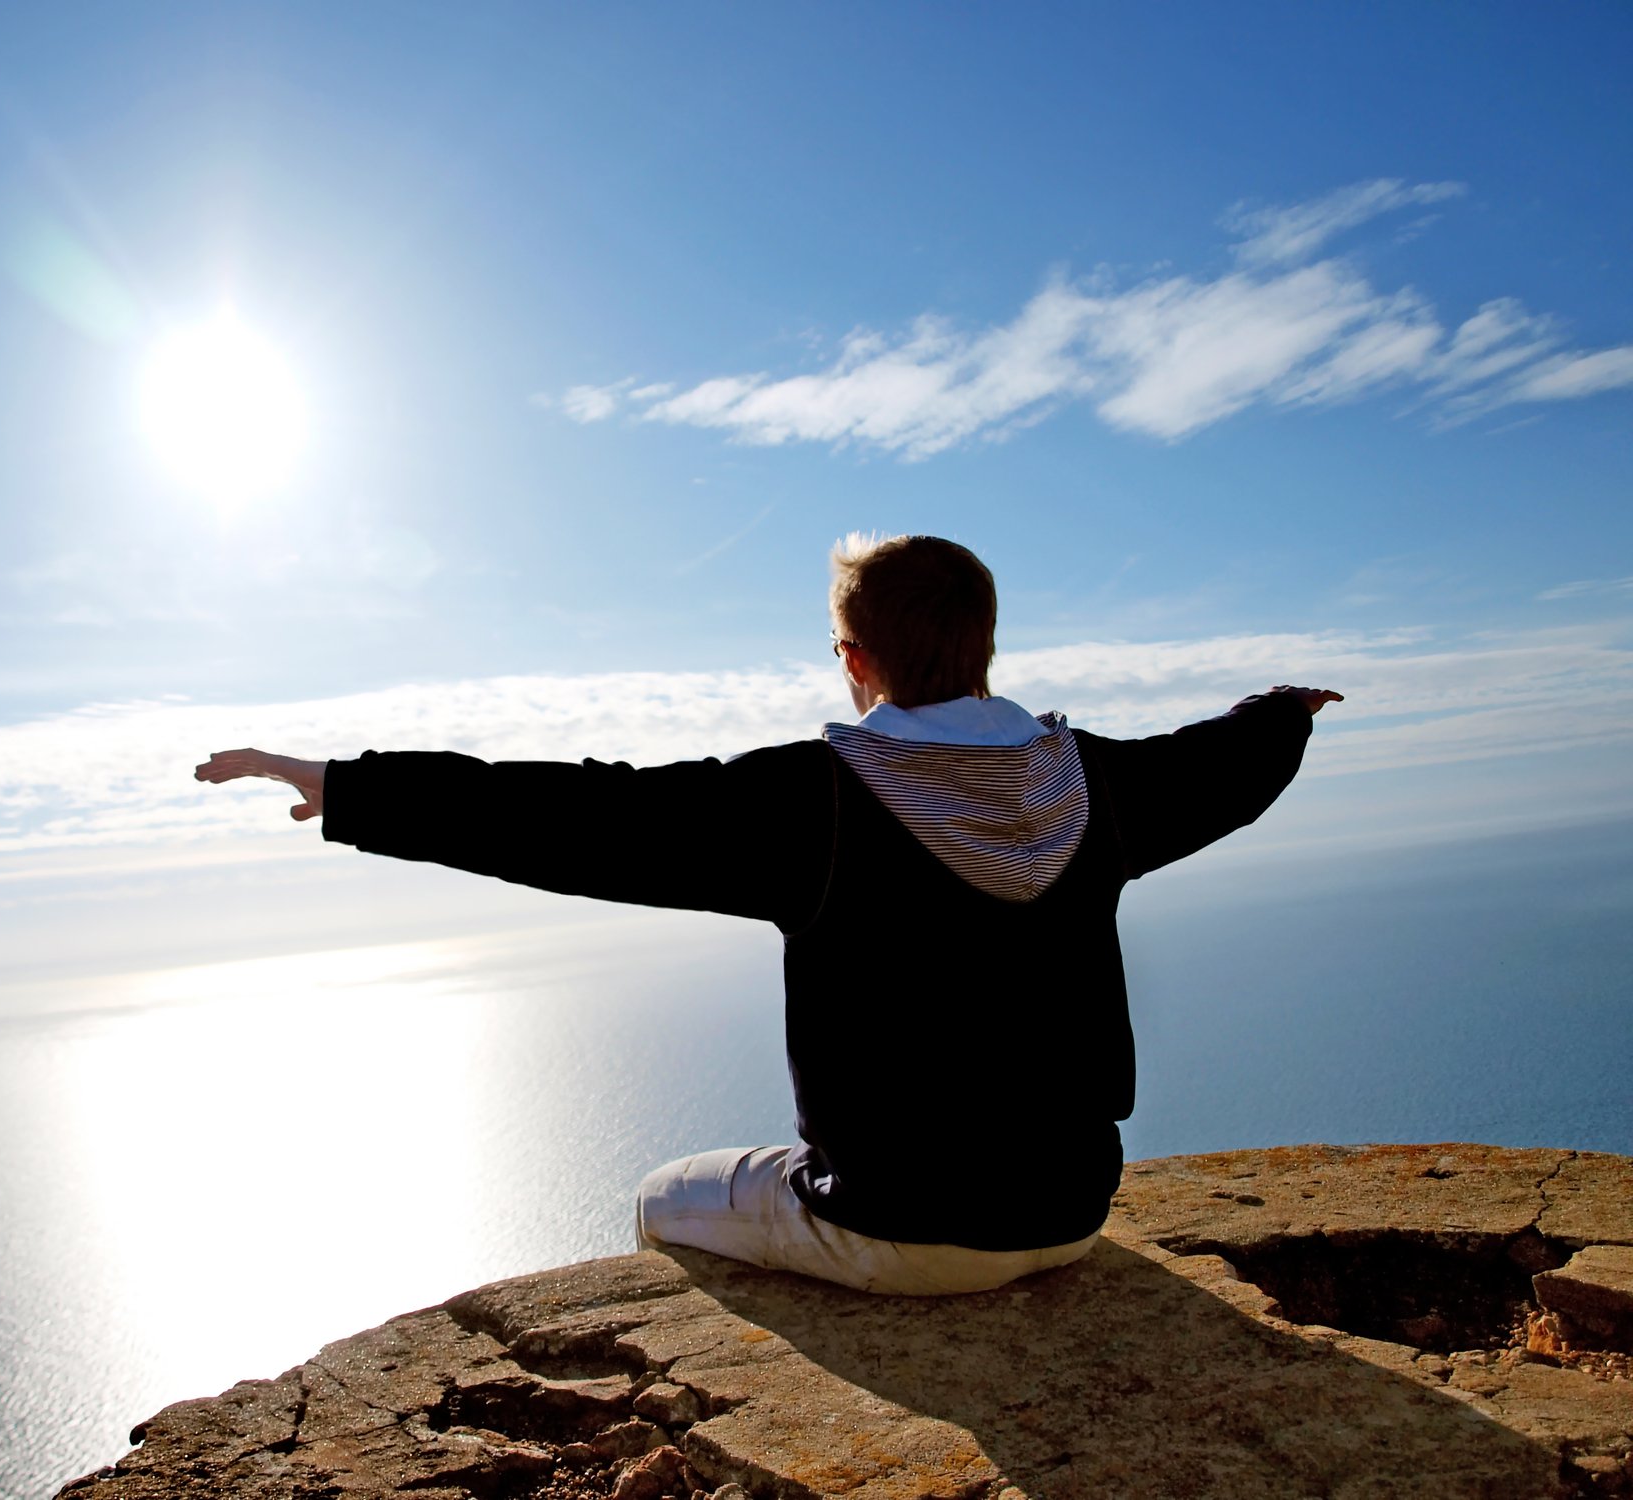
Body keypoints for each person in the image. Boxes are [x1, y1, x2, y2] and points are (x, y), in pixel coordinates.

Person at [194, 533, 1341, 1296]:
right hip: (1069, 1204)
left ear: (854, 659)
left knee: (661, 1199)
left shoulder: (817, 804)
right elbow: (1220, 764)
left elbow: (577, 815)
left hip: (898, 1226)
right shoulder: (1094, 785)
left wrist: (347, 785)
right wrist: (1282, 710)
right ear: (986, 643)